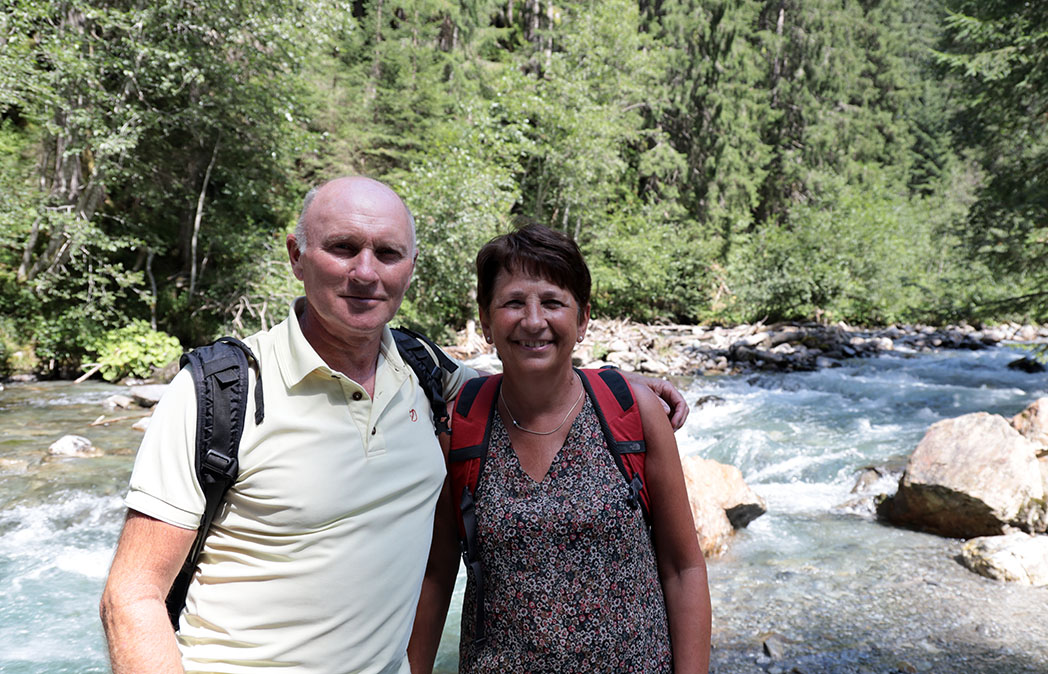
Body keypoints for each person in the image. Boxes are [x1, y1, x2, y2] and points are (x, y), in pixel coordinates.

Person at [100, 177, 688, 674]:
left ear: (409, 268)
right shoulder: (218, 393)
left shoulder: (427, 375)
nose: (365, 272)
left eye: (387, 253)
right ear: (296, 256)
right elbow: (132, 595)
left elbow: (533, 372)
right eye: (342, 247)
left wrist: (631, 386)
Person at [408, 224, 710, 673]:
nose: (533, 321)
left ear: (583, 319)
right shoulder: (460, 427)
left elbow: (683, 568)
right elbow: (436, 576)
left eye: (552, 302)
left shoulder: (632, 410)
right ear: (487, 321)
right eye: (513, 302)